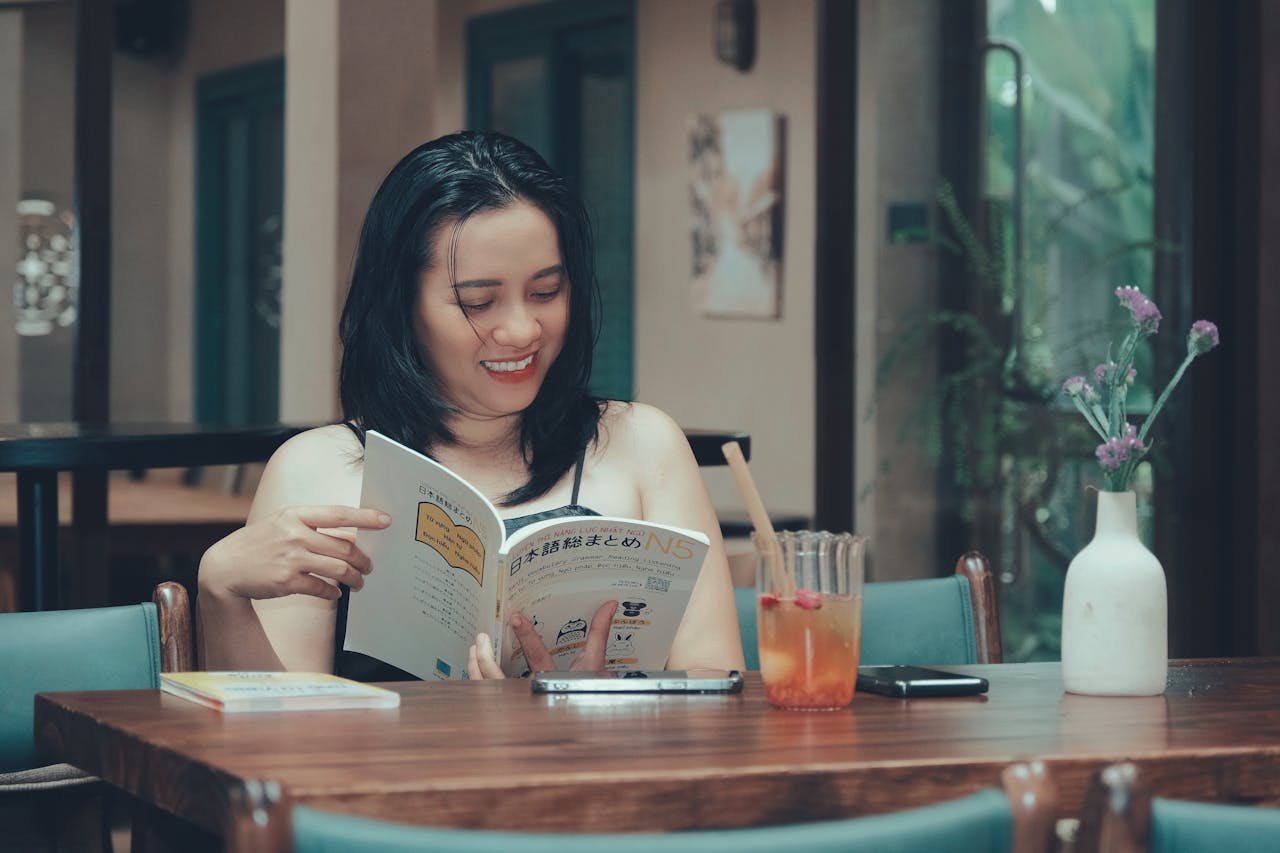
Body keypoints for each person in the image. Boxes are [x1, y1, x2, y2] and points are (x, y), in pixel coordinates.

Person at [197, 130, 745, 680]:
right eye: (479, 302)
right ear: (402, 306)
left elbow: (718, 691)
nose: (522, 330)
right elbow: (274, 724)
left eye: (546, 292)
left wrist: (585, 708)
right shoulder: (316, 470)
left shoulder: (643, 445)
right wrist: (221, 592)